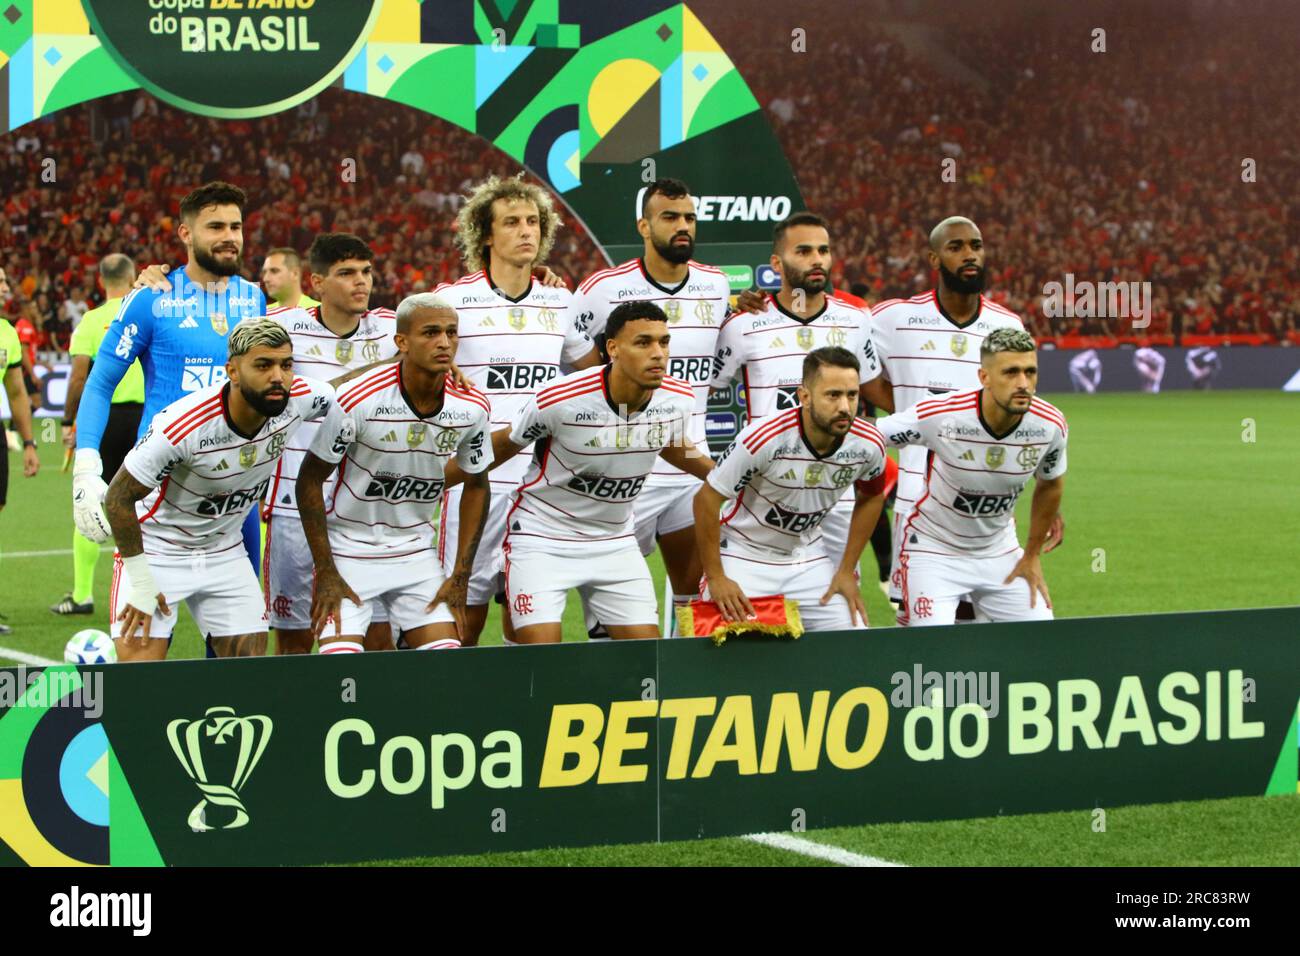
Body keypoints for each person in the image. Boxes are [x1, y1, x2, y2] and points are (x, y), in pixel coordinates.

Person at [449, 300, 709, 644]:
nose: (659, 353)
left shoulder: (679, 397)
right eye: (644, 342)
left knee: (648, 658)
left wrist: (723, 477)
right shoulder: (559, 398)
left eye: (664, 342)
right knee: (542, 657)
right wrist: (431, 480)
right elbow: (503, 445)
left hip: (614, 541)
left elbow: (671, 441)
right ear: (613, 349)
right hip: (542, 537)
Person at [101, 319, 339, 661]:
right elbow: (118, 497)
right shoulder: (181, 426)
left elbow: (349, 390)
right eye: (263, 365)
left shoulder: (300, 399)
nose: (278, 376)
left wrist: (405, 366)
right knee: (140, 681)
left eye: (286, 365)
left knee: (248, 680)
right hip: (158, 551)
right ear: (233, 371)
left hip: (224, 551)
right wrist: (140, 580)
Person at [73, 182, 268, 599]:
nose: (229, 236)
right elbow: (101, 381)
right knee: (143, 629)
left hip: (234, 487)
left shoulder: (254, 299)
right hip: (160, 484)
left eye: (236, 226)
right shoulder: (151, 298)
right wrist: (87, 465)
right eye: (215, 226)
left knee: (240, 636)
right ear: (185, 234)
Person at [433, 174, 601, 646]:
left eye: (533, 221)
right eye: (512, 223)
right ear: (485, 234)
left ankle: (519, 715)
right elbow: (412, 365)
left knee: (525, 619)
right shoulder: (452, 301)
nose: (527, 231)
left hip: (539, 486)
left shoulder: (558, 300)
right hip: (474, 481)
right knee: (461, 614)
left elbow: (596, 376)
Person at [567, 178, 730, 637]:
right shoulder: (602, 288)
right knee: (609, 605)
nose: (683, 227)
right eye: (670, 217)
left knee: (691, 593)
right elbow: (572, 357)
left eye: (689, 218)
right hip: (623, 466)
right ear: (644, 225)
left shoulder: (716, 285)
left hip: (688, 462)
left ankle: (679, 691)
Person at [296, 294, 493, 654]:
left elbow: (478, 484)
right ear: (401, 342)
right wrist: (324, 570)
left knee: (447, 662)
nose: (444, 342)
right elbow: (309, 479)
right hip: (348, 551)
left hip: (415, 552)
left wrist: (460, 575)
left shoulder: (472, 406)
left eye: (451, 332)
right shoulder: (359, 399)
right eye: (431, 333)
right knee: (341, 666)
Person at [710, 211, 889, 579]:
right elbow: (706, 389)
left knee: (839, 600)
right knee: (756, 611)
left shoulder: (856, 320)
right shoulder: (744, 324)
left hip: (834, 491)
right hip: (765, 490)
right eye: (804, 251)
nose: (817, 259)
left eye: (823, 250)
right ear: (777, 263)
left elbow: (873, 389)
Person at [869, 217, 1035, 610]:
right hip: (919, 506)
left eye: (975, 245)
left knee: (995, 629)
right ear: (934, 258)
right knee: (925, 634)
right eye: (956, 247)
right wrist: (914, 414)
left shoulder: (1007, 326)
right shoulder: (894, 319)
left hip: (988, 511)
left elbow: (1021, 411)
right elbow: (854, 367)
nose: (969, 254)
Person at [873, 328, 1067, 627]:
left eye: (1030, 372)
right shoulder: (942, 416)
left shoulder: (1049, 425)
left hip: (999, 549)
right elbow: (874, 434)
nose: (1023, 384)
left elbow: (1051, 483)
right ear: (984, 377)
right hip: (933, 549)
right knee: (930, 651)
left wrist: (1031, 555)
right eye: (1011, 372)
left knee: (1040, 636)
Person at [263, 233, 397, 654]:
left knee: (378, 639)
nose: (361, 282)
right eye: (346, 273)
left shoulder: (392, 328)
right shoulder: (283, 328)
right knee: (295, 640)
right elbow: (288, 398)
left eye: (365, 272)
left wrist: (541, 276)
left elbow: (452, 326)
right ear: (316, 283)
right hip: (294, 506)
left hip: (367, 509)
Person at [694, 347, 890, 632]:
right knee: (725, 650)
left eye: (852, 394)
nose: (845, 407)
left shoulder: (869, 443)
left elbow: (873, 496)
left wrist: (846, 570)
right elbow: (706, 501)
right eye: (833, 395)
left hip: (807, 557)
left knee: (854, 637)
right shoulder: (763, 439)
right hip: (744, 554)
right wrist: (717, 577)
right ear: (805, 396)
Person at [52, 254, 145, 616]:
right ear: (133, 276)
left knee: (91, 501)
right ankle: (145, 587)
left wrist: (68, 421)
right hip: (145, 418)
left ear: (101, 280)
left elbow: (79, 378)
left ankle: (81, 595)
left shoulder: (91, 321)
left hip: (105, 418)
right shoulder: (147, 311)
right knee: (145, 505)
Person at [0, 283, 41, 636]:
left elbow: (16, 392)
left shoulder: (7, 333)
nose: (5, 288)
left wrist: (29, 442)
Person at [261, 247, 320, 311]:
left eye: (274, 271)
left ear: (295, 274)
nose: (266, 279)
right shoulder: (264, 313)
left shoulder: (318, 312)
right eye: (264, 272)